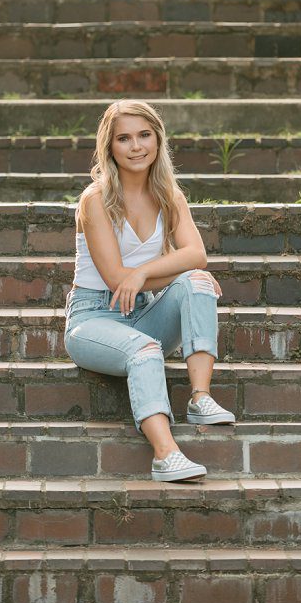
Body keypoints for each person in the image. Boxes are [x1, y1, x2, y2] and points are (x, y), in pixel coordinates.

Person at [65, 99, 236, 482]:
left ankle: (200, 397)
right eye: (124, 139)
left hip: (145, 311)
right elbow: (114, 279)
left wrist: (142, 275)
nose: (136, 146)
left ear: (158, 140)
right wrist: (152, 274)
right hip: (94, 319)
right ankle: (165, 454)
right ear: (109, 147)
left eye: (144, 135)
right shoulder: (95, 200)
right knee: (145, 350)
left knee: (197, 281)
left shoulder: (168, 195)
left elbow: (197, 255)